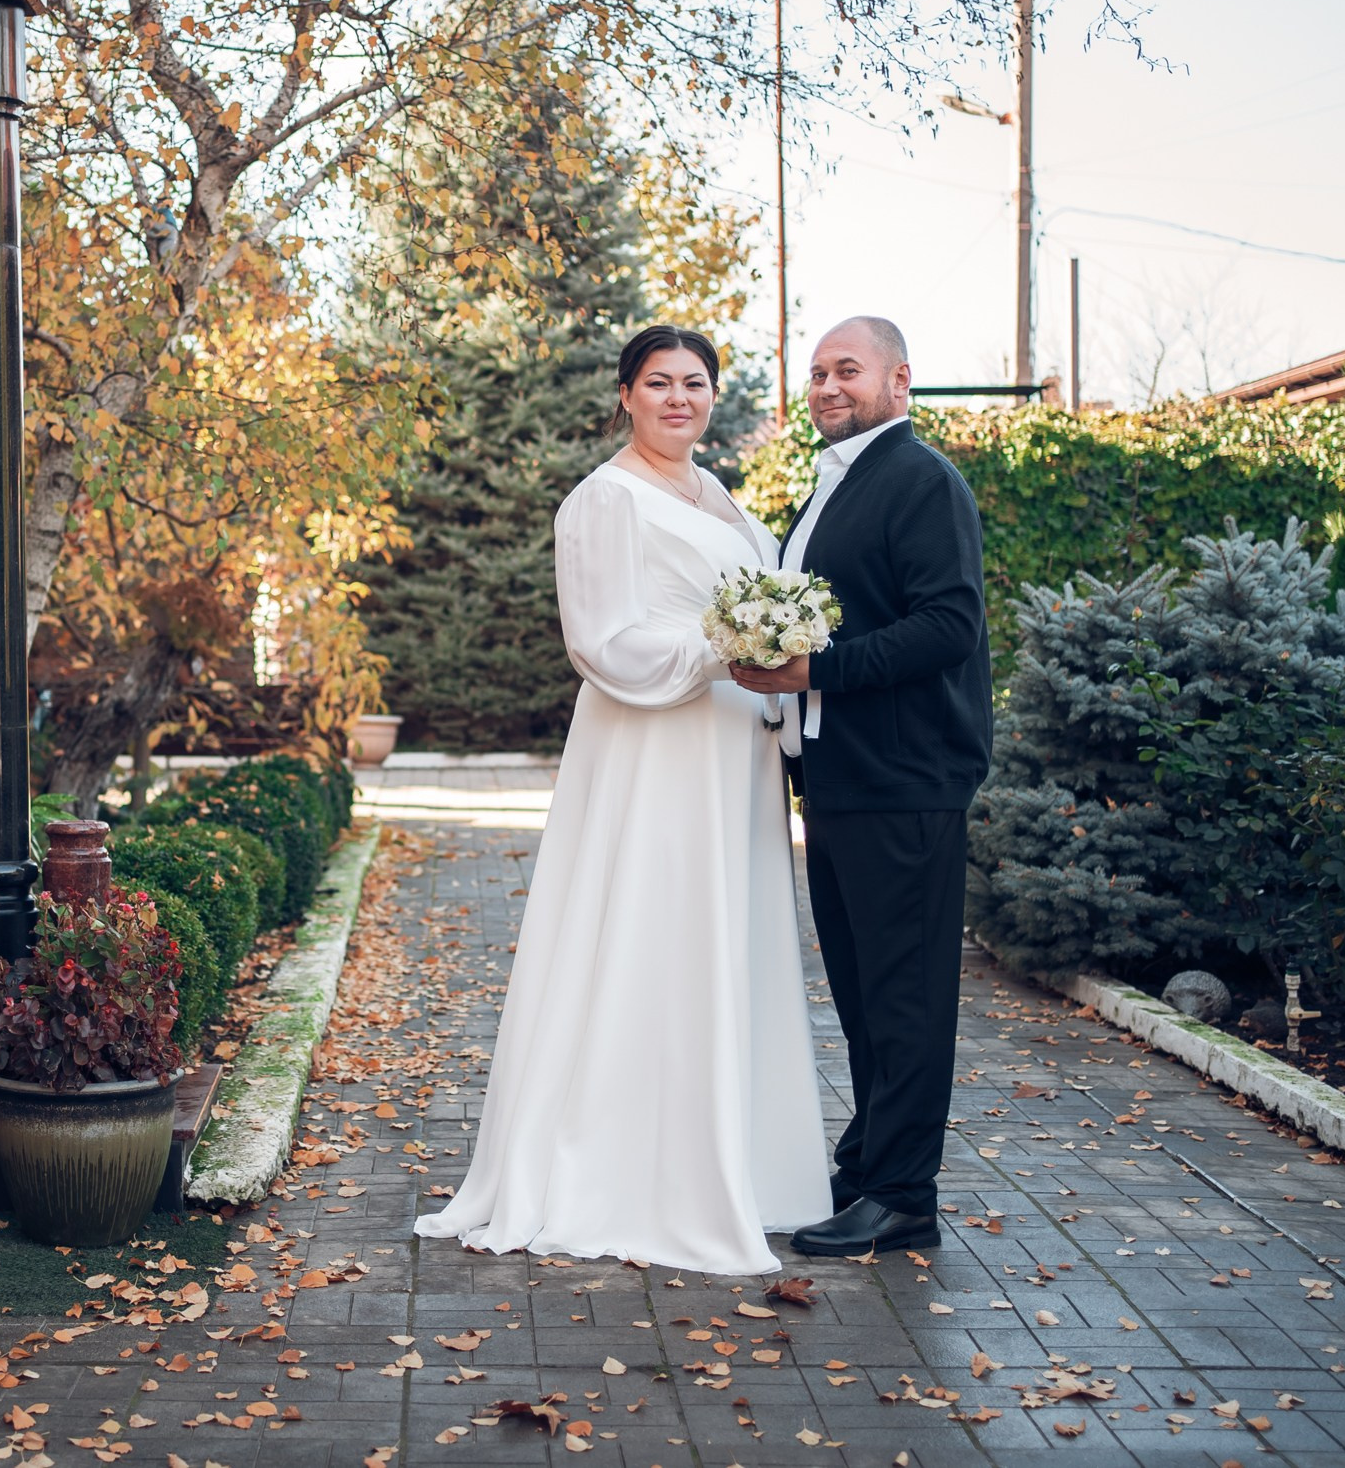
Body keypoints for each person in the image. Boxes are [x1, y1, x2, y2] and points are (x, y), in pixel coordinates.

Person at [414, 325, 832, 1274]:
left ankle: (744, 1164)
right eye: (658, 383)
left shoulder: (719, 495)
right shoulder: (601, 501)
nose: (678, 398)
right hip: (655, 749)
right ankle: (627, 1173)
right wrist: (722, 648)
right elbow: (602, 642)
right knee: (654, 932)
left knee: (726, 937)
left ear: (711, 397)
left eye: (694, 383)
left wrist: (766, 653)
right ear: (626, 394)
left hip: (734, 752)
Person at [731, 316, 991, 1256]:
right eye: (815, 373)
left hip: (907, 780)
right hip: (841, 781)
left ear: (900, 380)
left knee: (908, 996)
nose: (827, 386)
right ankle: (867, 1163)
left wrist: (814, 672)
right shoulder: (836, 484)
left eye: (848, 369)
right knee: (863, 994)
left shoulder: (921, 481)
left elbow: (947, 626)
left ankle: (905, 1197)